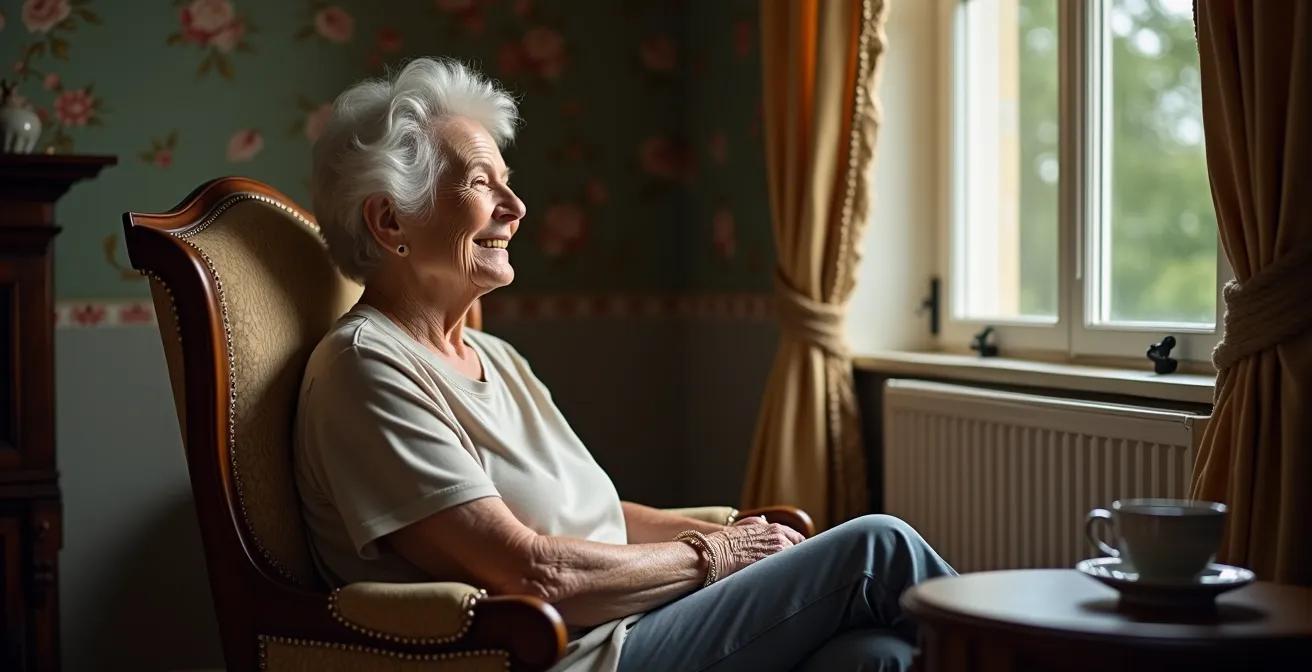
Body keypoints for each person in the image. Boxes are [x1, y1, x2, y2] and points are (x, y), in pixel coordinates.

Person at [294, 57, 957, 672]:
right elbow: (533, 574)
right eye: (479, 183)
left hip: (635, 620)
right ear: (390, 220)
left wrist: (746, 536)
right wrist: (715, 553)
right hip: (574, 656)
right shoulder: (366, 371)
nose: (516, 208)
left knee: (877, 656)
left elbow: (600, 513)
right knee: (878, 547)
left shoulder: (495, 356)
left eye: (508, 183)